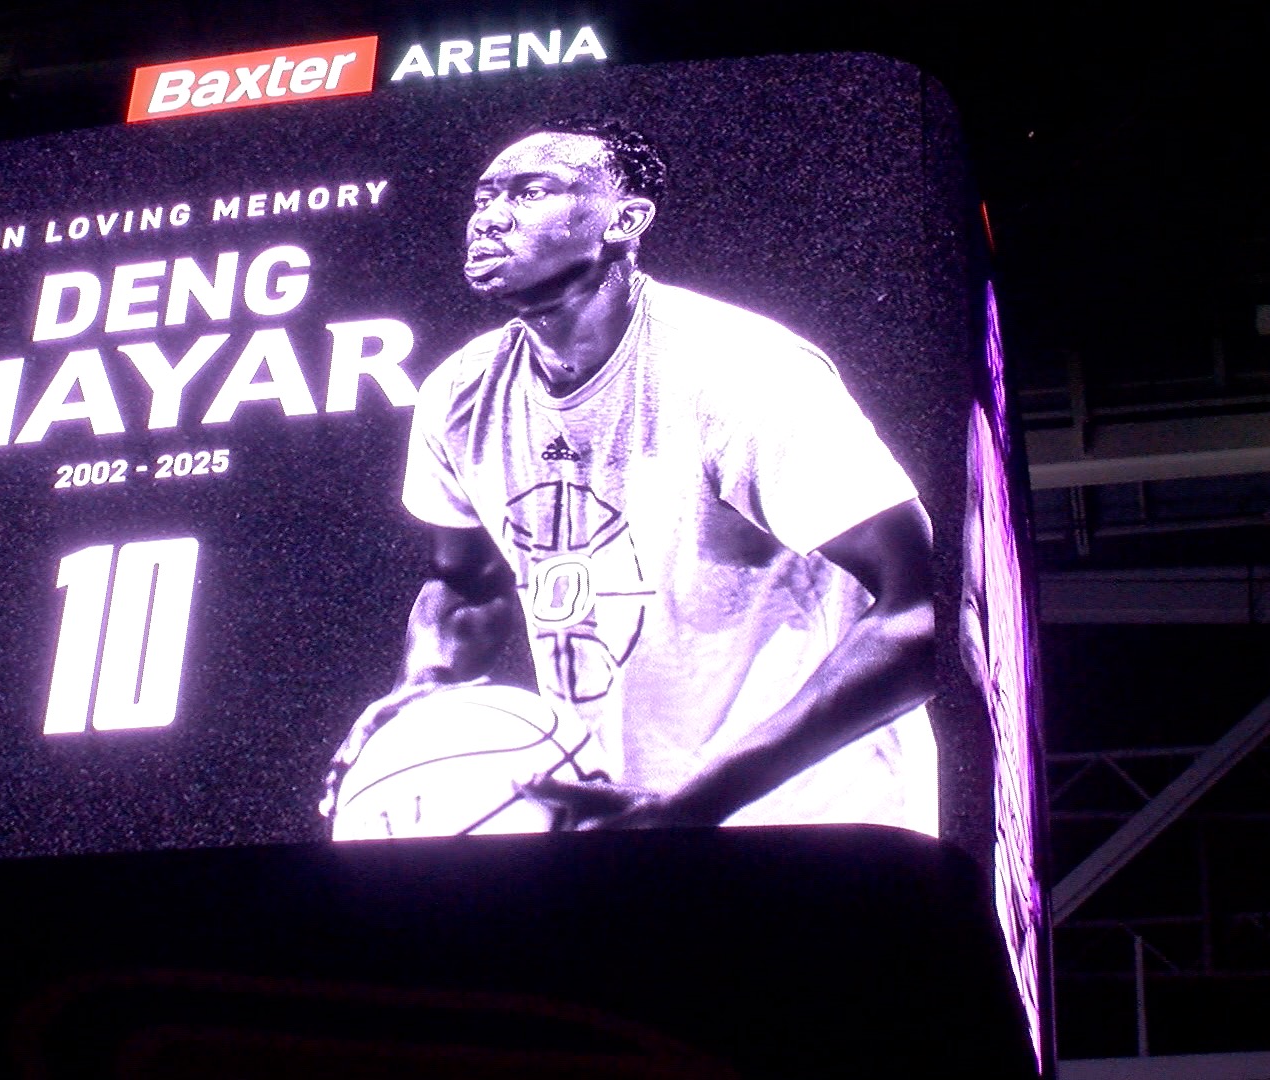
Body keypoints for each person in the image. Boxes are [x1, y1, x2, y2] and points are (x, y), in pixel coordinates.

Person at [323, 118, 940, 835]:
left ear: (626, 218)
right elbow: (468, 583)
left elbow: (921, 614)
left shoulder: (738, 370)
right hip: (627, 821)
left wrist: (698, 806)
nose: (490, 217)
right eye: (484, 197)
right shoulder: (458, 395)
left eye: (530, 192)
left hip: (819, 825)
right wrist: (425, 685)